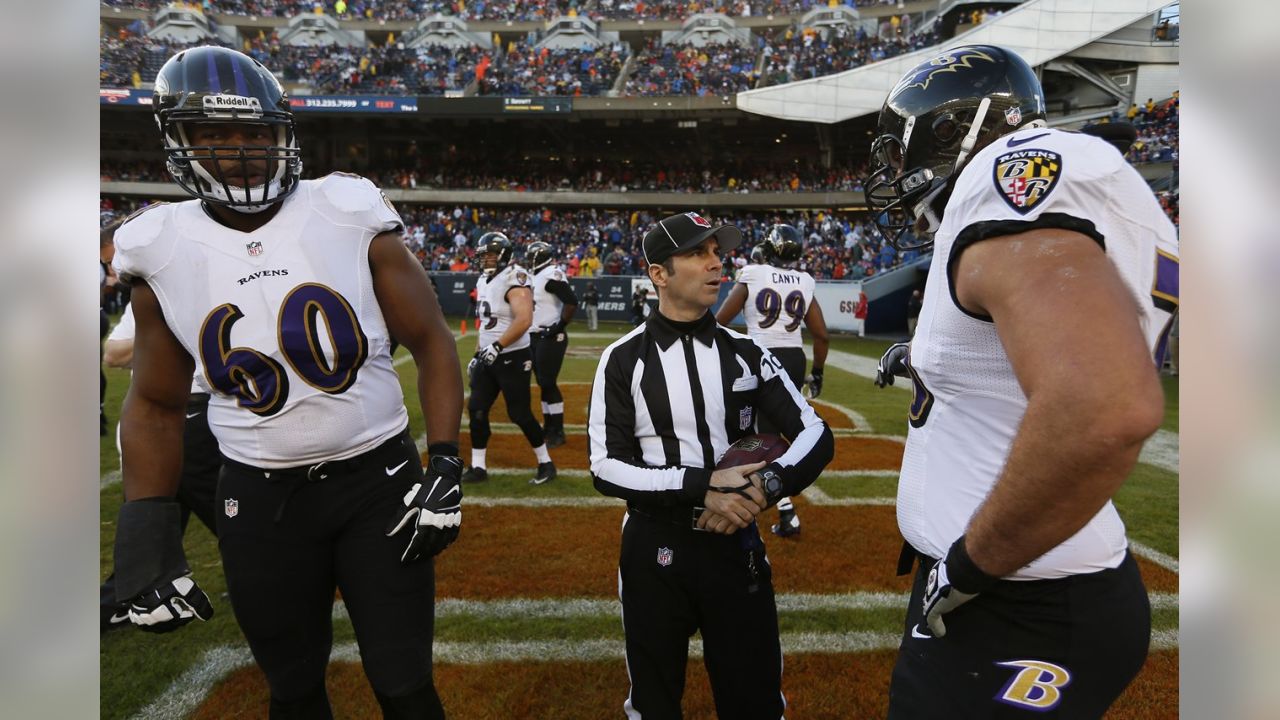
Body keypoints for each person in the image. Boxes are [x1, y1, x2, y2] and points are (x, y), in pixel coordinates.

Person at [110, 46, 464, 719]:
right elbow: (155, 404)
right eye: (215, 135)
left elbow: (432, 340)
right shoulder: (158, 244)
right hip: (259, 498)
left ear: (284, 134)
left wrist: (444, 459)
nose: (240, 151)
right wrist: (145, 536)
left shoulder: (344, 208)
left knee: (404, 682)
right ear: (177, 142)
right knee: (294, 690)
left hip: (377, 483)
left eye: (254, 133)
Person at [864, 45, 1176, 717]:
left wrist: (976, 562)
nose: (898, 172)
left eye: (904, 150)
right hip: (1032, 585)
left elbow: (1103, 406)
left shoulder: (1011, 174)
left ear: (956, 131)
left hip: (1020, 600)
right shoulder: (1080, 180)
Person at [588, 211, 834, 719]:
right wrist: (703, 487)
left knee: (755, 703)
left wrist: (764, 487)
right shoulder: (622, 358)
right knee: (654, 704)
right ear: (659, 273)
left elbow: (816, 434)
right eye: (698, 253)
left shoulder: (746, 351)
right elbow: (606, 467)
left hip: (735, 546)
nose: (716, 263)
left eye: (717, 252)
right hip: (656, 543)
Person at [100, 303, 222, 633]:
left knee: (152, 533)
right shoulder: (154, 291)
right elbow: (112, 354)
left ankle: (115, 603)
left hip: (207, 418)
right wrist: (169, 340)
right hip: (171, 425)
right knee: (241, 529)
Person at [714, 223, 829, 539]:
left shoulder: (753, 273)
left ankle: (782, 509)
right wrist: (817, 372)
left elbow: (719, 321)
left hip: (761, 355)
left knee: (756, 433)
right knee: (776, 430)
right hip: (793, 357)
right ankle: (783, 508)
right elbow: (821, 334)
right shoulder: (805, 280)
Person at [464, 232, 557, 485]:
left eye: (490, 255)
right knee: (477, 409)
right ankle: (478, 466)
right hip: (489, 356)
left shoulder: (514, 277)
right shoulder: (484, 280)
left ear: (503, 255)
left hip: (512, 357)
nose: (485, 260)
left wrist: (497, 345)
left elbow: (524, 319)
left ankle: (546, 463)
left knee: (519, 413)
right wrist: (478, 353)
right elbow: (485, 325)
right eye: (483, 256)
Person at [526, 240, 578, 449]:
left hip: (550, 336)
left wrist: (559, 326)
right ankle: (549, 426)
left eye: (532, 256)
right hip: (536, 336)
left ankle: (558, 429)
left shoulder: (550, 274)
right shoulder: (536, 275)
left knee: (548, 382)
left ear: (541, 256)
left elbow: (571, 300)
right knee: (543, 383)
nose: (529, 260)